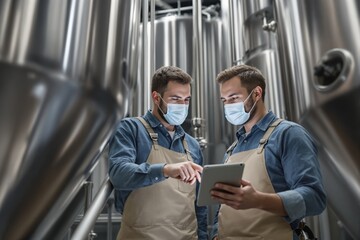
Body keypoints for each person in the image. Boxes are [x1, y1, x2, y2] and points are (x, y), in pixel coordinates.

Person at [210, 64, 326, 240]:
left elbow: (314, 197)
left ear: (257, 93)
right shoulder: (232, 149)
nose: (228, 106)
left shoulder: (288, 134)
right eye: (224, 100)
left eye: (233, 98)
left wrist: (259, 200)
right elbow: (223, 208)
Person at [108, 66, 208, 240]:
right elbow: (118, 173)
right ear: (156, 97)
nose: (183, 106)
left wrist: (204, 236)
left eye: (186, 100)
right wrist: (165, 170)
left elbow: (200, 204)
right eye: (175, 99)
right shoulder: (131, 129)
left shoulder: (192, 145)